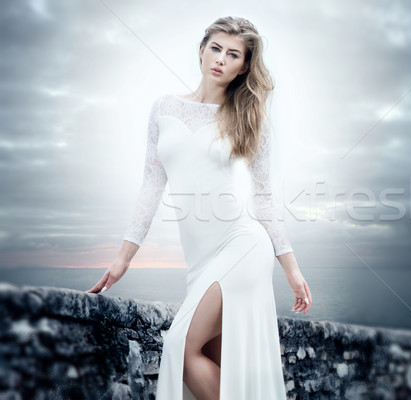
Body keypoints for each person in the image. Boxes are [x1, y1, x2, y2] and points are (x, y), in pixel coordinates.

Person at [87, 16, 312, 400]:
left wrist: (290, 268)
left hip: (242, 246)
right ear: (202, 50)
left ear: (244, 65)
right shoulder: (164, 108)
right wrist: (124, 258)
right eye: (216, 48)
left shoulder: (250, 117)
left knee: (180, 347)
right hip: (200, 260)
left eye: (233, 54)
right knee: (213, 364)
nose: (221, 59)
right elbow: (151, 186)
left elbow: (263, 197)